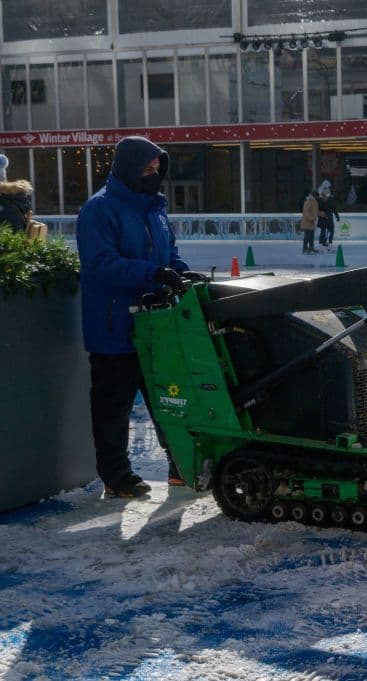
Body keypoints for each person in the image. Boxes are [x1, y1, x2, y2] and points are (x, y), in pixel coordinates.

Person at [77, 136, 208, 498]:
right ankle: (116, 475)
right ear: (128, 168)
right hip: (114, 327)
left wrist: (180, 272)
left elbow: (170, 253)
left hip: (157, 326)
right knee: (114, 408)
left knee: (170, 399)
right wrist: (152, 273)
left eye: (157, 169)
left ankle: (180, 466)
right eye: (147, 169)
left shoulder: (155, 208)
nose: (154, 175)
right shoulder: (98, 210)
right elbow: (101, 263)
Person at [300, 189, 319, 254]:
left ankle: (311, 248)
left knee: (311, 237)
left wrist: (316, 217)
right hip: (307, 222)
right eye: (316, 196)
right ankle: (305, 249)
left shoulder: (314, 201)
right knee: (307, 237)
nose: (317, 197)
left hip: (312, 222)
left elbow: (315, 211)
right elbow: (306, 212)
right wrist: (311, 218)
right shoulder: (308, 202)